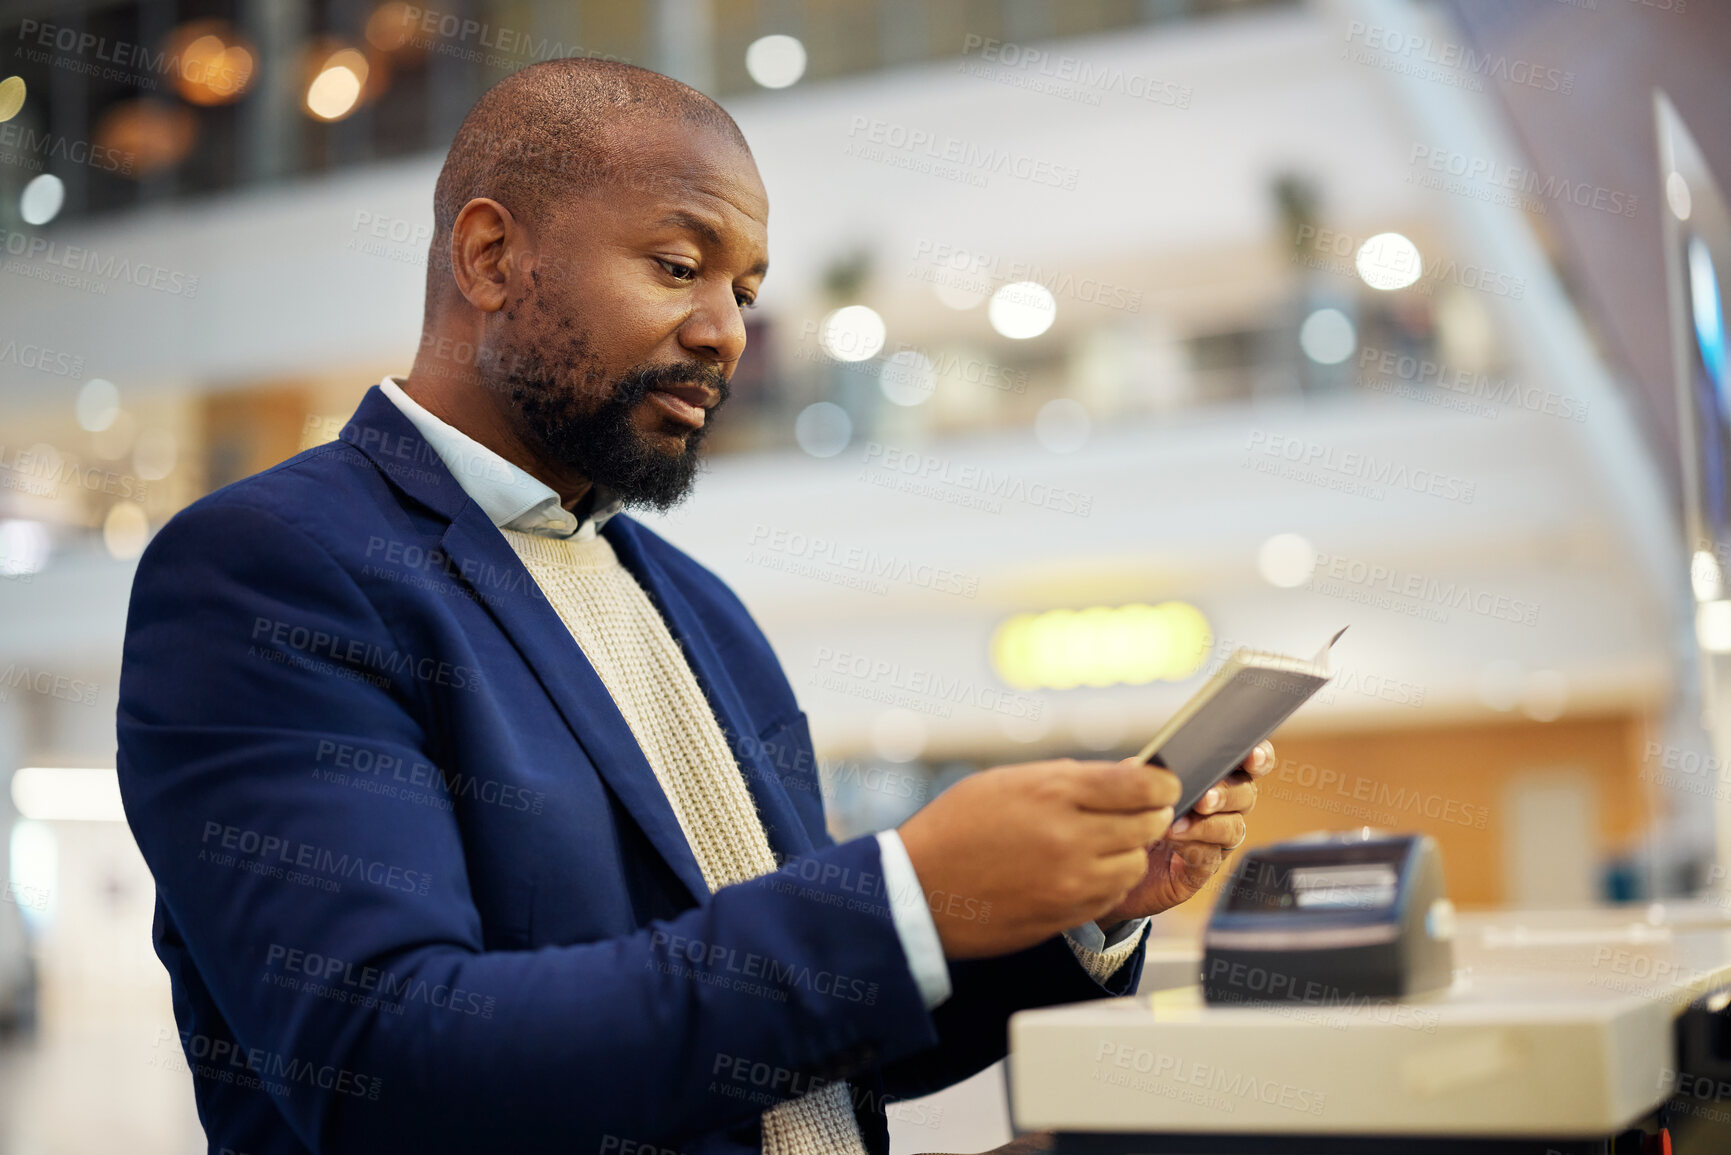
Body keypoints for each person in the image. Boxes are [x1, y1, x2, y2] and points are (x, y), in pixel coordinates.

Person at [116, 59, 1271, 1155]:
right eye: (679, 266)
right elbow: (388, 1066)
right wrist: (896, 900)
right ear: (488, 256)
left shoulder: (699, 612)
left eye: (746, 290)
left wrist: (1070, 911)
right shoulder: (272, 568)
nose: (728, 331)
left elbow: (814, 1041)